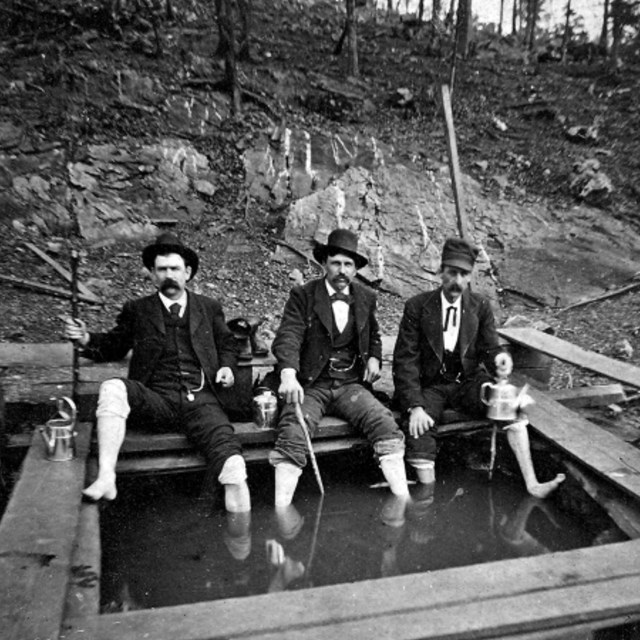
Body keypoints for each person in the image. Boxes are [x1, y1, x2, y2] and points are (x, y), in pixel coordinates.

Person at [63, 233, 251, 513]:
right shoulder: (138, 310)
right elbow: (114, 345)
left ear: (187, 273)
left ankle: (242, 543)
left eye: (174, 269)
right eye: (161, 269)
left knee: (234, 468)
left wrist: (226, 367)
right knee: (112, 388)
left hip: (203, 404)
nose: (168, 275)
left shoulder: (208, 308)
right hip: (156, 402)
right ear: (152, 274)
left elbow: (227, 344)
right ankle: (106, 477)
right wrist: (86, 339)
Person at [393, 236, 565, 499]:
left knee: (508, 404)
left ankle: (532, 484)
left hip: (468, 382)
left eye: (464, 274)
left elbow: (490, 350)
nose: (458, 281)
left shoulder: (480, 306)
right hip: (431, 387)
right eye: (452, 273)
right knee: (419, 429)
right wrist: (414, 406)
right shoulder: (418, 306)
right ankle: (426, 501)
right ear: (441, 271)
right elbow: (405, 360)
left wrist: (500, 362)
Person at [269, 228, 410, 506]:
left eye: (348, 264)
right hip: (312, 384)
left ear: (356, 269)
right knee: (294, 431)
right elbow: (289, 335)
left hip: (349, 385)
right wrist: (288, 373)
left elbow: (374, 335)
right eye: (336, 263)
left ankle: (403, 502)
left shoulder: (365, 297)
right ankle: (282, 512)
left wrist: (373, 358)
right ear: (324, 264)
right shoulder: (303, 295)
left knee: (384, 422)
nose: (342, 270)